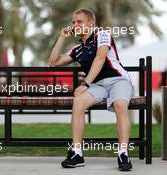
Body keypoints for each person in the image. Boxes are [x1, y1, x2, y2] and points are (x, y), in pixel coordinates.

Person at [48, 8, 133, 171]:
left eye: (79, 21)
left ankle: (123, 153)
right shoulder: (77, 49)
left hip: (118, 81)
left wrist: (85, 84)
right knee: (78, 103)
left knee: (120, 105)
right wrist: (61, 38)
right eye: (73, 22)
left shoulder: (102, 34)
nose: (75, 25)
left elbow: (100, 58)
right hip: (98, 85)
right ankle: (77, 153)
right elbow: (53, 62)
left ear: (90, 24)